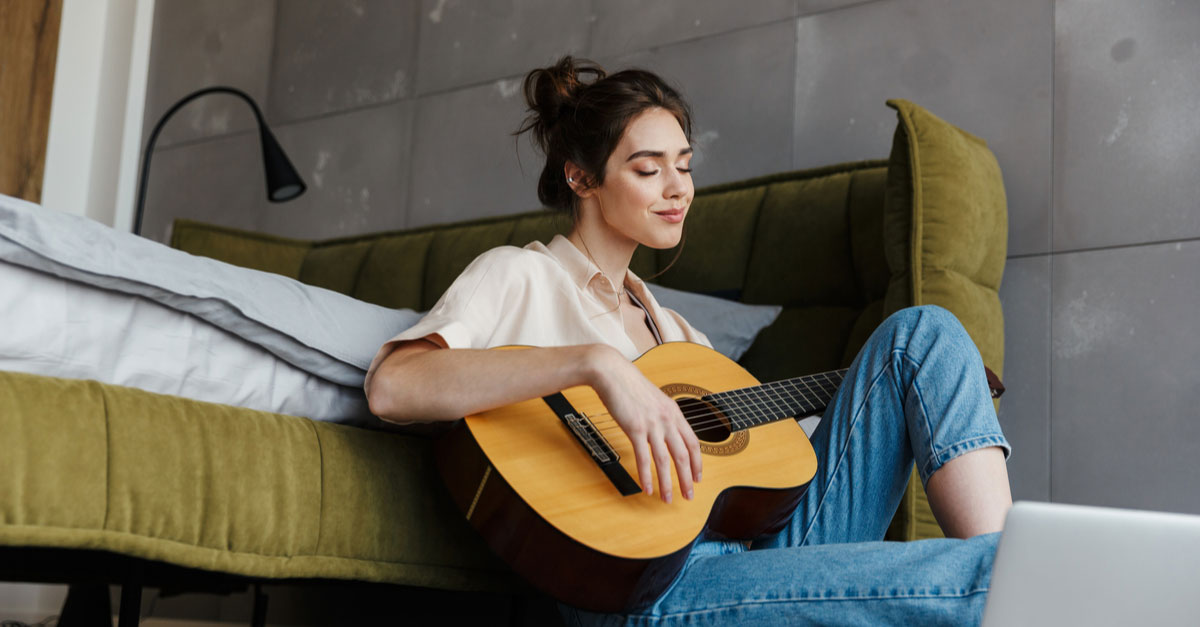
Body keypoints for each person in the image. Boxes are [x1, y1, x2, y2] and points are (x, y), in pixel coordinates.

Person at [365, 56, 1013, 626]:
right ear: (581, 178)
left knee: (924, 335)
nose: (679, 188)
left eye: (684, 166)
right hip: (645, 589)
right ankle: (1016, 580)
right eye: (649, 169)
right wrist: (595, 366)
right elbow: (394, 385)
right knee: (998, 579)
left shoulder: (677, 336)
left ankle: (1009, 566)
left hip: (750, 560)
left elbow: (753, 471)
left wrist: (891, 394)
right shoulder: (519, 275)